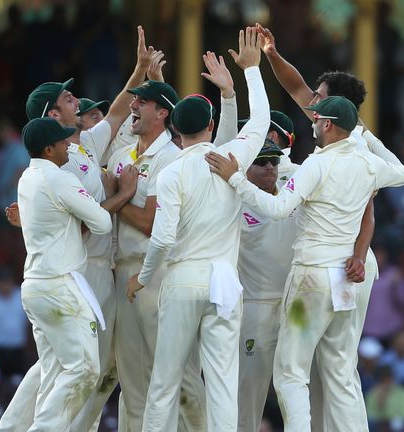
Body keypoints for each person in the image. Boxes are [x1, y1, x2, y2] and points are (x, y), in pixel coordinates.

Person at [206, 95, 404, 431]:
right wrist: (368, 138)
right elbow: (401, 173)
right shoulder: (368, 163)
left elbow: (277, 209)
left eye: (316, 120)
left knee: (290, 373)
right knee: (341, 370)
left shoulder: (316, 163)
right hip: (345, 279)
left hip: (313, 276)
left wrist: (236, 178)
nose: (312, 124)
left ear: (327, 125)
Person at [0, 26, 151, 432]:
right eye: (67, 98)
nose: (76, 99)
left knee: (70, 367)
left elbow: (117, 112)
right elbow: (82, 224)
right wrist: (122, 194)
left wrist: (139, 70)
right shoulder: (59, 164)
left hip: (96, 268)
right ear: (52, 115)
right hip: (80, 272)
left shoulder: (78, 147)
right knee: (85, 368)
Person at [126, 27, 268, 432]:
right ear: (211, 126)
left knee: (165, 381)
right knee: (222, 381)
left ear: (176, 131)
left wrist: (143, 278)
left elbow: (163, 238)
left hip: (183, 280)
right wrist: (248, 74)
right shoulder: (230, 157)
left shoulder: (169, 174)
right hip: (224, 280)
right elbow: (258, 121)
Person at [109, 51, 241, 432]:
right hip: (124, 273)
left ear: (163, 113)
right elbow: (109, 121)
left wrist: (117, 200)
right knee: (132, 380)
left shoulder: (173, 157)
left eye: (143, 102)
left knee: (180, 380)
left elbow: (152, 224)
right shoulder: (121, 153)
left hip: (159, 275)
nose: (134, 106)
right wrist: (141, 73)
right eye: (135, 99)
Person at [0, 116, 111, 431]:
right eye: (62, 141)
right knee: (86, 368)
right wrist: (120, 193)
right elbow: (103, 223)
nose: (68, 145)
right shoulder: (60, 179)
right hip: (60, 286)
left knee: (54, 370)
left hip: (35, 286)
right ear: (48, 149)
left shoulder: (27, 177)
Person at [255, 23, 380, 285]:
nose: (311, 102)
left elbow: (368, 212)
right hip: (334, 260)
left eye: (318, 97)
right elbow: (295, 86)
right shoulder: (331, 124)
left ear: (336, 105)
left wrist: (358, 257)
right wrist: (272, 54)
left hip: (353, 262)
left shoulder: (358, 144)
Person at [234, 141, 298, 432]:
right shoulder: (234, 202)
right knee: (248, 392)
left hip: (293, 306)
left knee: (297, 391)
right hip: (253, 306)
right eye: (261, 162)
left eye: (274, 161)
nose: (270, 167)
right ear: (246, 167)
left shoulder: (292, 196)